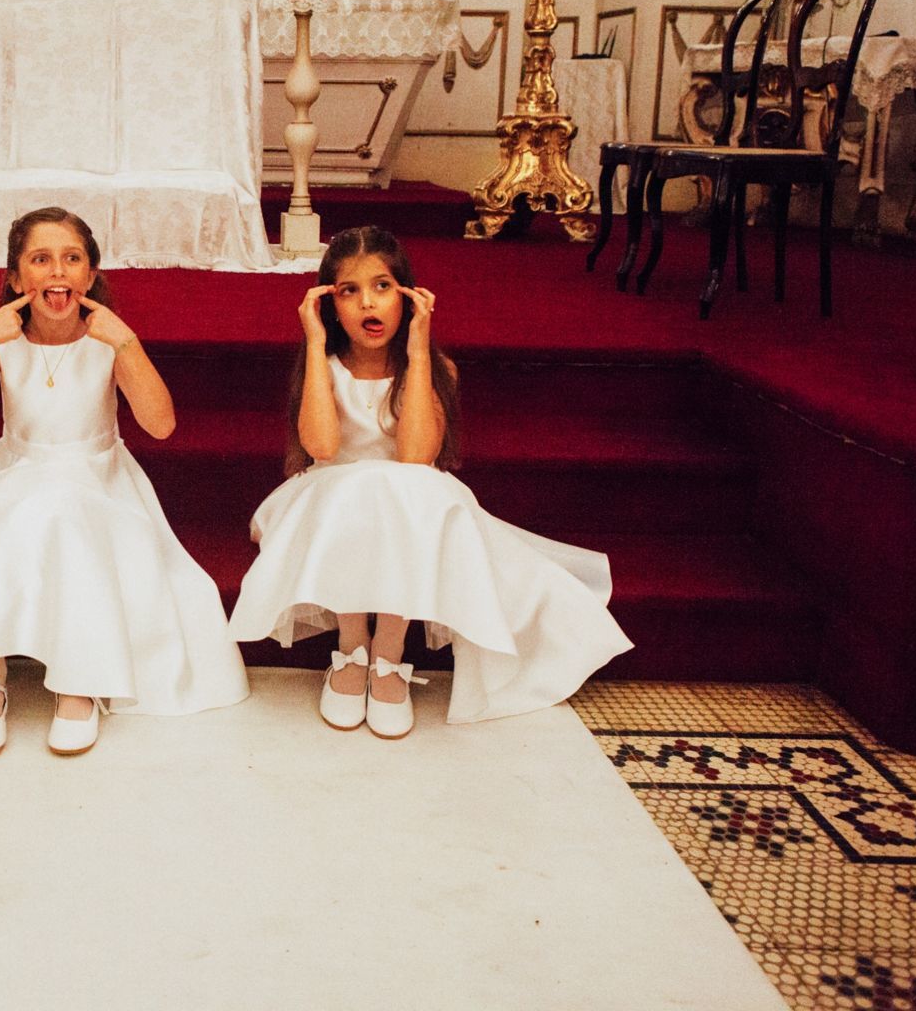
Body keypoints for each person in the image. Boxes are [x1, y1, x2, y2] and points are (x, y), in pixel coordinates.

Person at [0, 207, 248, 756]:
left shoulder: (107, 341)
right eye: (40, 260)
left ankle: (79, 678)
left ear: (91, 276)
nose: (58, 272)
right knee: (8, 512)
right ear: (17, 278)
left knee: (66, 511)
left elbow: (160, 425)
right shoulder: (1, 341)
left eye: (72, 259)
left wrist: (128, 344)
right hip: (17, 467)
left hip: (97, 475)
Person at [226, 225, 633, 736]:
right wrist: (313, 343)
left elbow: (418, 456)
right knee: (355, 485)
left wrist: (418, 352)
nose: (367, 305)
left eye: (382, 287)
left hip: (412, 503)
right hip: (330, 501)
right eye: (349, 291)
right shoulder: (323, 367)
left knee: (406, 486)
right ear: (330, 303)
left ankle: (389, 651)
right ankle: (351, 649)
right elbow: (324, 449)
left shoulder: (435, 367)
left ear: (408, 296)